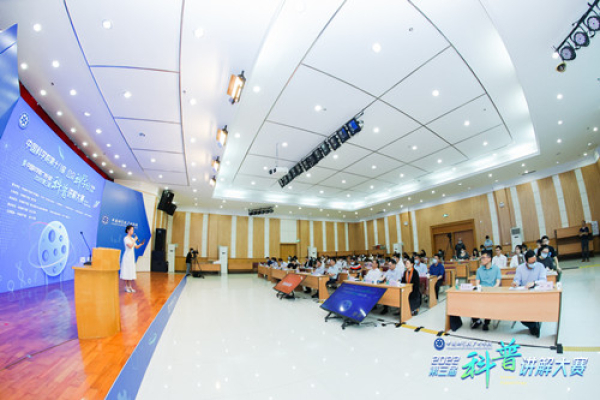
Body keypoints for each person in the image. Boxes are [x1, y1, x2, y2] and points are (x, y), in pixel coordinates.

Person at [512, 250, 547, 337]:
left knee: (534, 310)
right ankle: (533, 326)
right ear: (526, 261)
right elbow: (517, 280)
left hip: (537, 295)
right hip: (524, 296)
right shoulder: (520, 268)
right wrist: (516, 283)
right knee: (518, 312)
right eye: (531, 262)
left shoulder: (540, 266)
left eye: (534, 261)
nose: (533, 264)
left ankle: (534, 326)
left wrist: (534, 283)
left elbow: (544, 281)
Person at [471, 251, 501, 331]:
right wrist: (479, 289)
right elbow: (477, 282)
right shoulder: (479, 270)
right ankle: (477, 320)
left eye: (483, 258)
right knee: (471, 300)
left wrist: (492, 289)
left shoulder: (496, 269)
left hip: (491, 291)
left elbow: (498, 283)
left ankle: (486, 322)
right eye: (481, 258)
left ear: (489, 259)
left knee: (489, 302)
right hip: (482, 291)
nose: (482, 260)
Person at [121, 225, 145, 293]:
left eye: (133, 230)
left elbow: (136, 247)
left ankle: (130, 287)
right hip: (127, 257)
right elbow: (130, 246)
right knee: (127, 272)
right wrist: (134, 239)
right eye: (131, 230)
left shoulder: (132, 238)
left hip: (131, 257)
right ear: (128, 230)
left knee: (130, 271)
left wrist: (141, 244)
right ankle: (126, 287)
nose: (133, 231)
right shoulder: (126, 238)